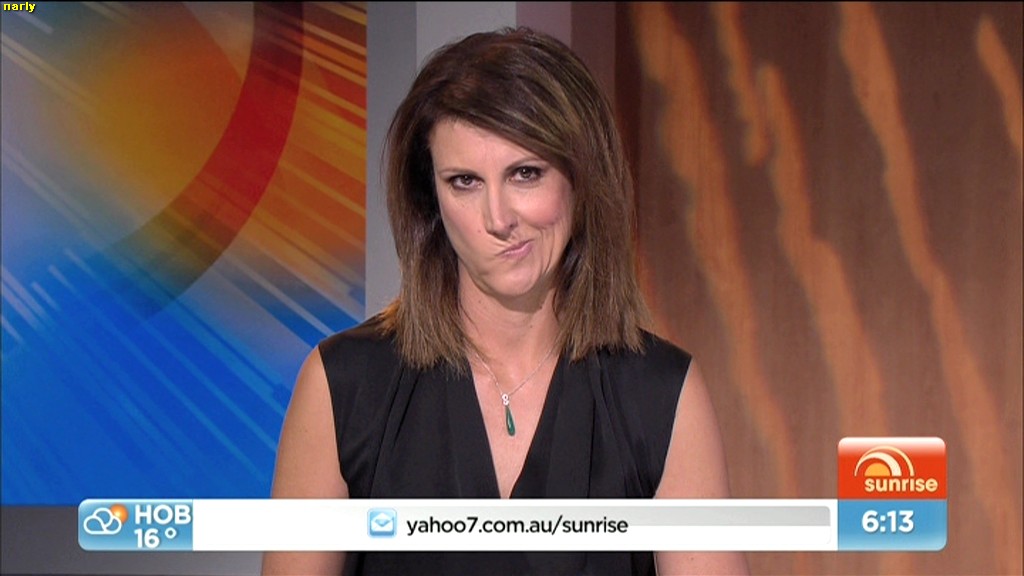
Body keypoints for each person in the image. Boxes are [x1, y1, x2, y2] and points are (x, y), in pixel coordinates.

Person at [262, 26, 749, 576]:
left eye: (525, 174)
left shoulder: (660, 393)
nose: (498, 219)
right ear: (430, 199)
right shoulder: (344, 385)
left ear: (581, 179)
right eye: (464, 182)